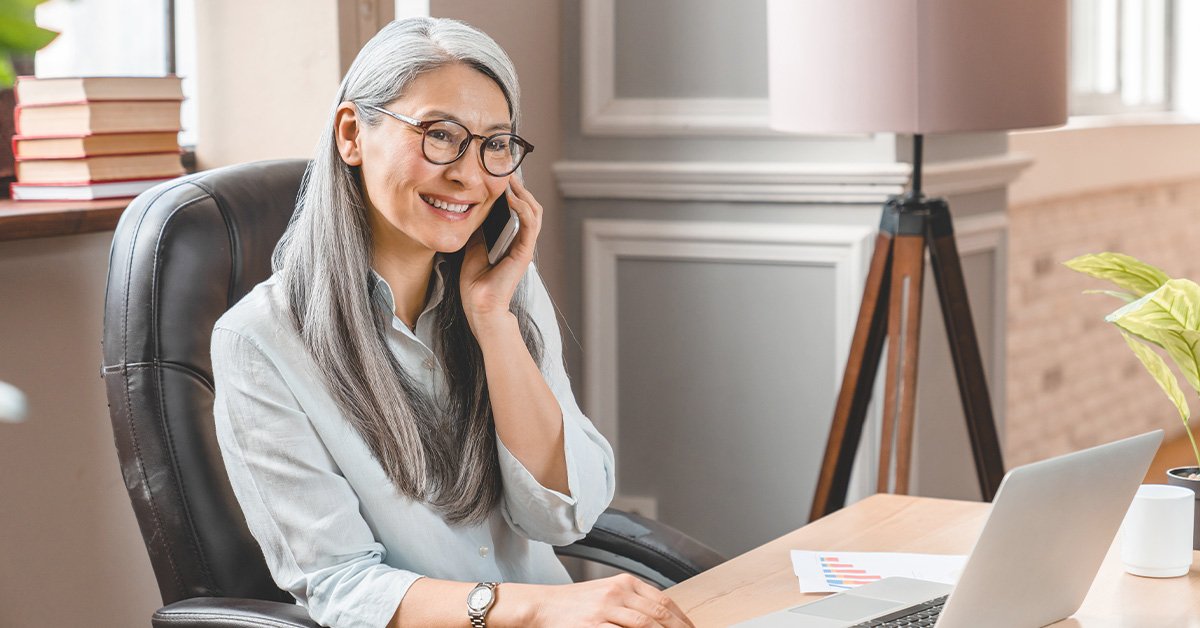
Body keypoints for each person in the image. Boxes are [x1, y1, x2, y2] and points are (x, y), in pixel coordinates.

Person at [210, 16, 694, 628]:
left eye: (495, 143)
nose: (469, 173)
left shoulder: (503, 290)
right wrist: (536, 607)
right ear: (353, 134)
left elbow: (564, 516)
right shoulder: (260, 341)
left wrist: (493, 320)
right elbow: (341, 585)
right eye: (440, 135)